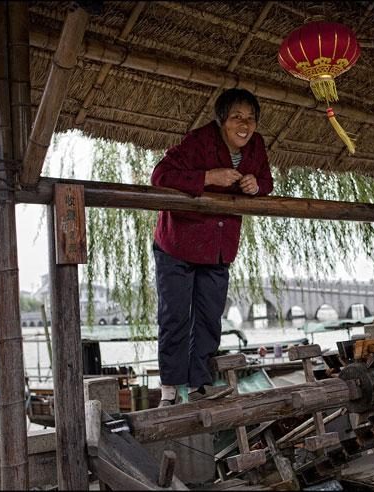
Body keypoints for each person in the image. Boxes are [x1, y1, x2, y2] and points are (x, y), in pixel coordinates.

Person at [151, 88, 274, 406]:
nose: (244, 124)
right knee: (175, 316)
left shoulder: (257, 146)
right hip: (178, 243)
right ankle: (169, 389)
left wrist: (256, 185)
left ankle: (197, 385)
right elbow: (160, 176)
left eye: (250, 118)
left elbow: (266, 181)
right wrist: (207, 177)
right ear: (222, 121)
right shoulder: (197, 141)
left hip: (218, 248)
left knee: (208, 318)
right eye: (236, 117)